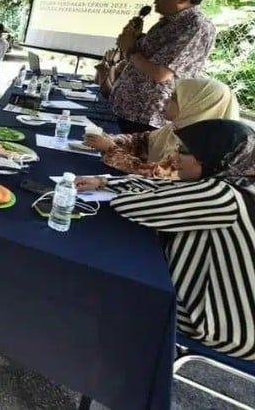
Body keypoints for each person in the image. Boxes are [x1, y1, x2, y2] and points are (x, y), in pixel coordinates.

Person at [76, 119, 255, 360]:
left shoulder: (222, 196)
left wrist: (117, 190)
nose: (175, 158)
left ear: (209, 157)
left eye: (184, 151)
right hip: (217, 308)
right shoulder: (237, 183)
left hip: (222, 326)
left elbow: (134, 206)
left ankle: (95, 364)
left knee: (111, 284)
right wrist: (106, 182)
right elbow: (164, 189)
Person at [110, 0, 217, 133]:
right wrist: (135, 38)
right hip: (130, 111)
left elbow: (161, 73)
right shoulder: (168, 22)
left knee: (129, 158)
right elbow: (145, 59)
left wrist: (130, 49)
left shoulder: (195, 26)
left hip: (148, 117)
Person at [84, 78, 239, 179]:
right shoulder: (176, 128)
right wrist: (113, 139)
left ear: (194, 106)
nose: (165, 101)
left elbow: (156, 175)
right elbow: (143, 140)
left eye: (173, 98)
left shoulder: (202, 146)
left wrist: (111, 148)